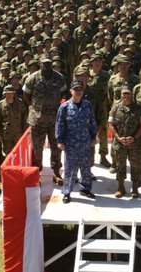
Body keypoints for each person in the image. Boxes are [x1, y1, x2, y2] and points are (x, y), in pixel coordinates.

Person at [24, 56, 67, 185]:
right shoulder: (32, 78)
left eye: (49, 63)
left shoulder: (59, 78)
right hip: (38, 120)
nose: (47, 66)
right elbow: (26, 95)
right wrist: (34, 108)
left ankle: (56, 172)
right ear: (40, 64)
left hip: (55, 120)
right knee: (37, 148)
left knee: (56, 147)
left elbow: (63, 93)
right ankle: (37, 173)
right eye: (44, 64)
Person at [55, 79, 98, 203]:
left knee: (86, 168)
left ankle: (85, 189)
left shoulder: (87, 105)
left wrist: (94, 137)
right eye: (76, 89)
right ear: (71, 91)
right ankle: (67, 192)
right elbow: (60, 124)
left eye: (80, 89)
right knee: (70, 169)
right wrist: (60, 140)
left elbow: (92, 122)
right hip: (71, 143)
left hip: (85, 141)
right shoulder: (64, 107)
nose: (78, 92)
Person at [108, 87, 141, 198]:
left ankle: (135, 188)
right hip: (120, 143)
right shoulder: (115, 108)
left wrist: (134, 138)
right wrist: (118, 138)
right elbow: (111, 125)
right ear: (121, 95)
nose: (126, 96)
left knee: (135, 166)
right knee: (120, 166)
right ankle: (121, 188)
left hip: (134, 144)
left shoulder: (139, 108)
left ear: (132, 95)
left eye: (128, 94)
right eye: (124, 94)